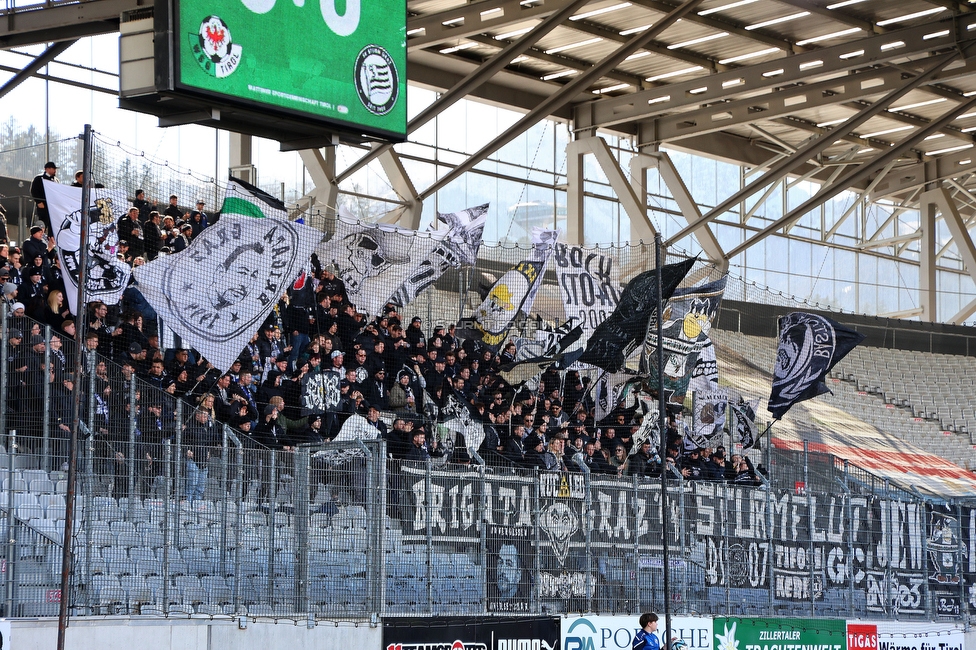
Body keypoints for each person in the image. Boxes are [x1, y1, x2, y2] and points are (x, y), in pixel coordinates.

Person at [30, 161, 58, 232]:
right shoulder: (39, 178)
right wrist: (39, 202)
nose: (55, 171)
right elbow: (34, 190)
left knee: (52, 224)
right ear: (47, 169)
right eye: (53, 168)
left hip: (52, 206)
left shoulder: (55, 180)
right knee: (43, 222)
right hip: (43, 205)